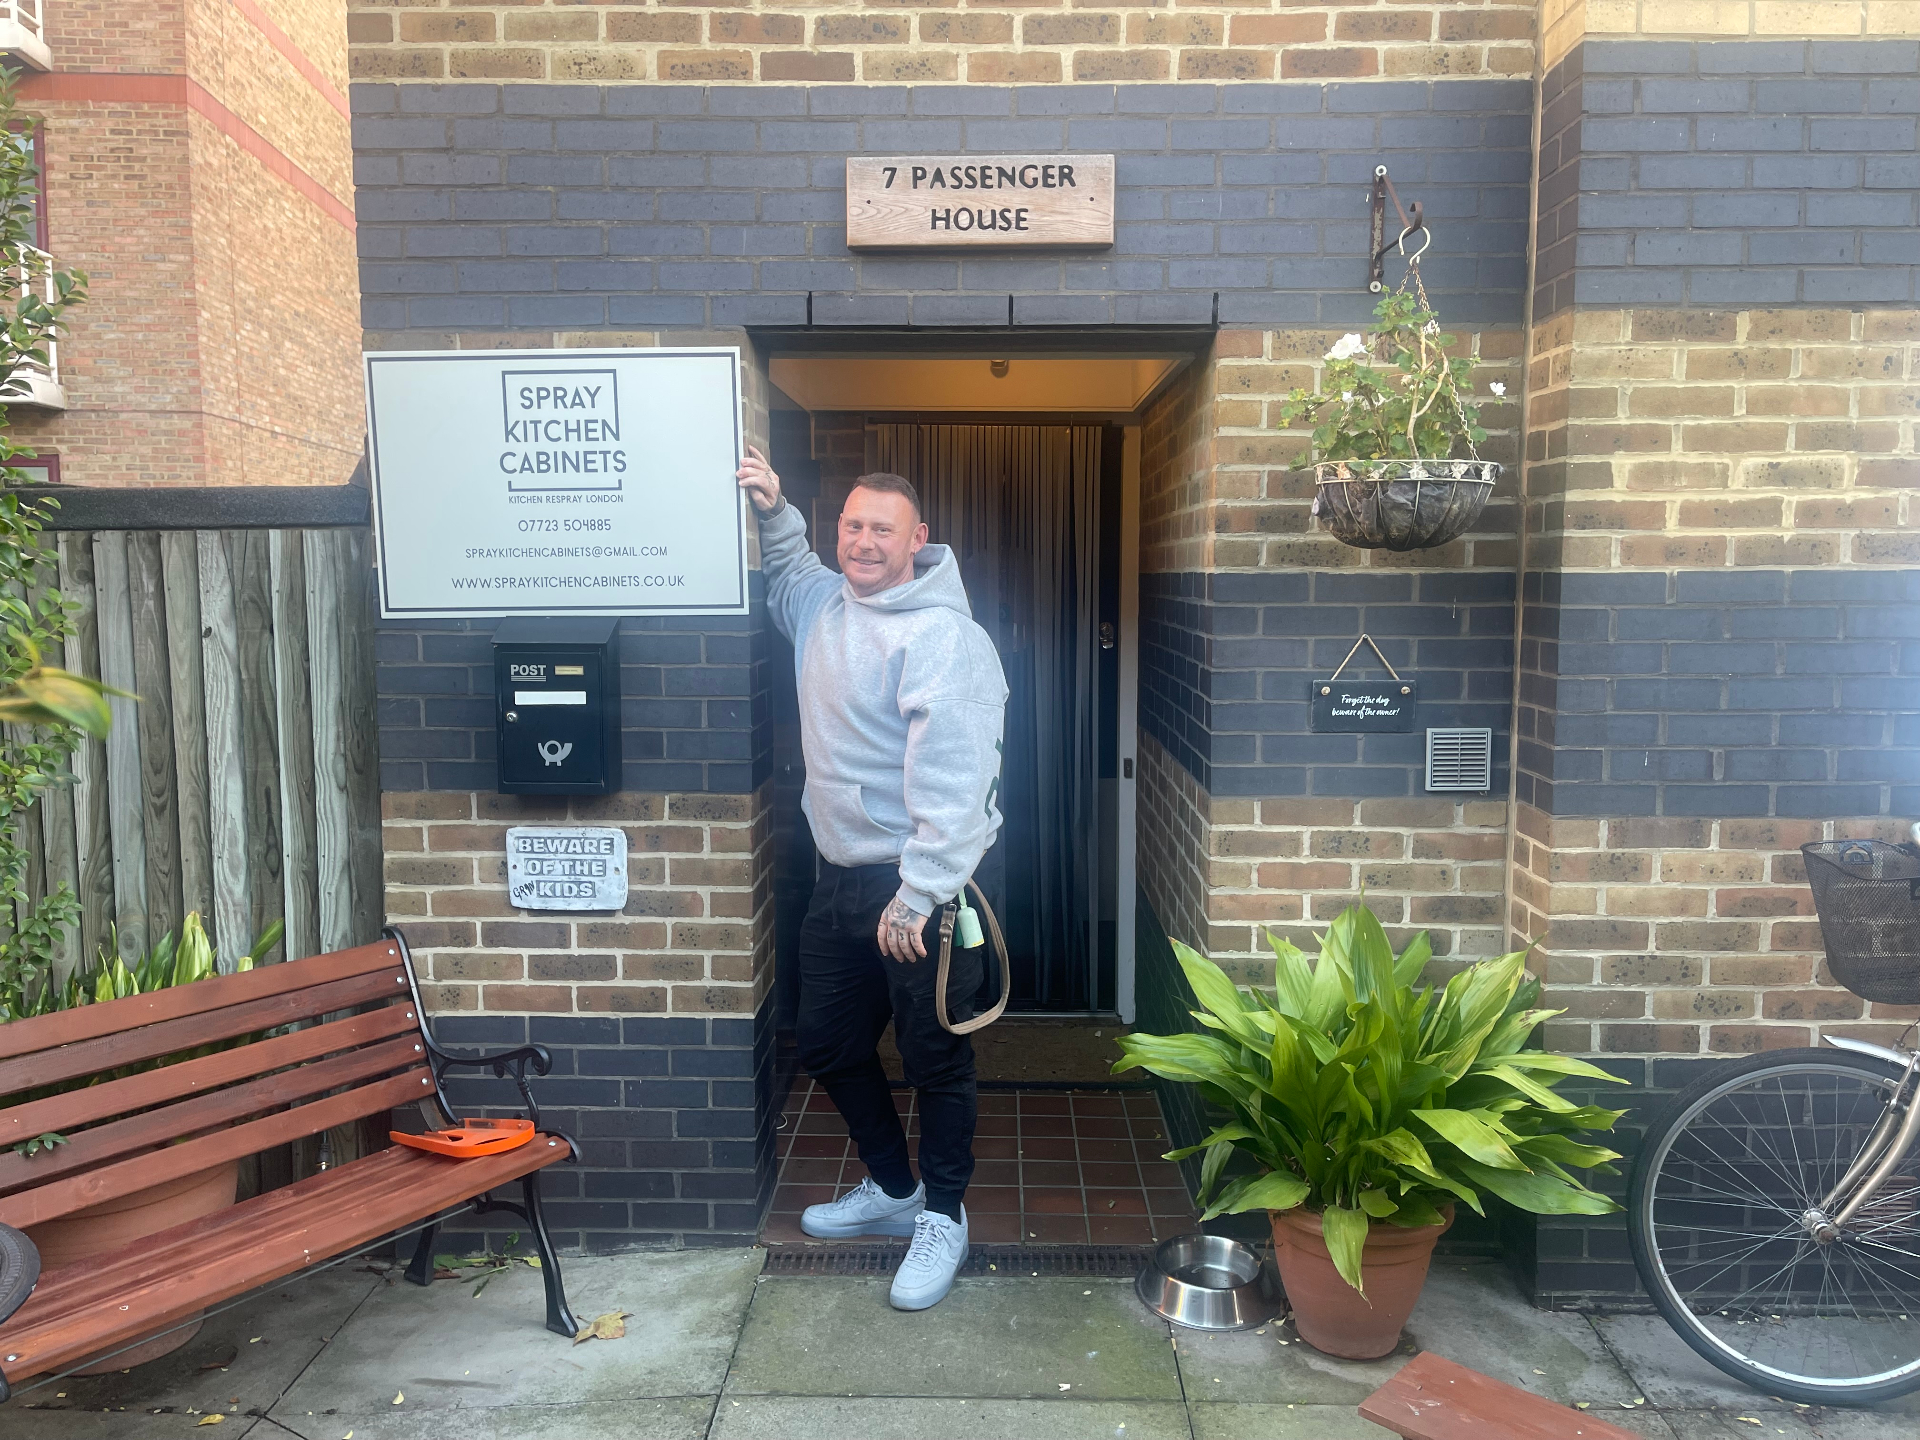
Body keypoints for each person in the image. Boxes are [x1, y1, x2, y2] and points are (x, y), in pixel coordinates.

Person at [737, 445, 1007, 1311]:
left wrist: (921, 892)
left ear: (917, 538)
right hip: (836, 880)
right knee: (825, 1042)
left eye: (880, 528)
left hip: (911, 888)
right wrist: (776, 508)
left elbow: (958, 781)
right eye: (851, 525)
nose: (861, 541)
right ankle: (895, 1189)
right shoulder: (824, 607)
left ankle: (947, 1217)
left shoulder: (942, 637)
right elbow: (793, 566)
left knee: (935, 1059)